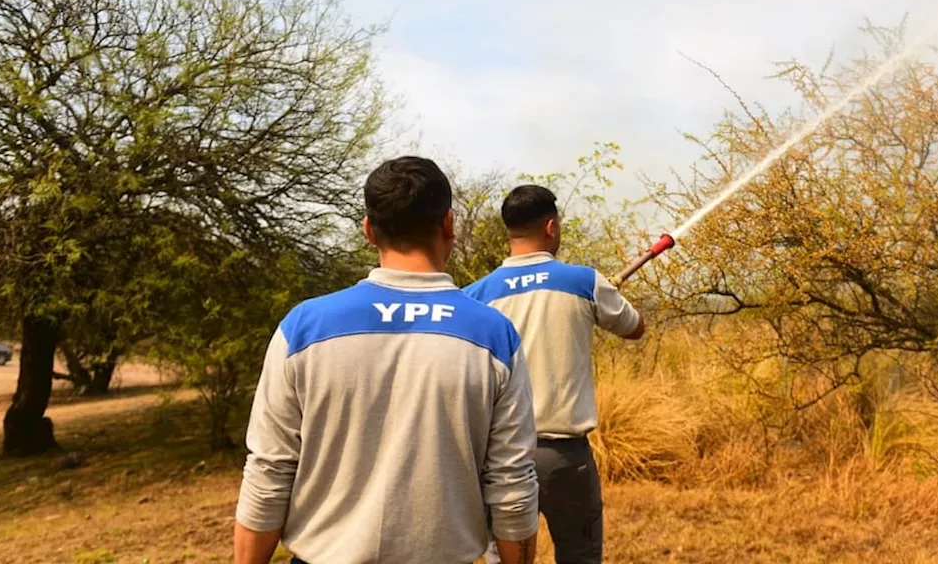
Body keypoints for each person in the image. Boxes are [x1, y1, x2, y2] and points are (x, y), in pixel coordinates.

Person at [233, 156, 540, 564]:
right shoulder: (494, 336)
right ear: (448, 224)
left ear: (368, 230)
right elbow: (512, 485)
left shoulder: (303, 328)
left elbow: (269, 471)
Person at [465, 185, 645, 564]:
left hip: (498, 457)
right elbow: (635, 327)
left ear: (509, 230)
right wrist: (604, 295)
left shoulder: (475, 296)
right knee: (579, 555)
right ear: (551, 226)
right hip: (565, 458)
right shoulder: (584, 282)